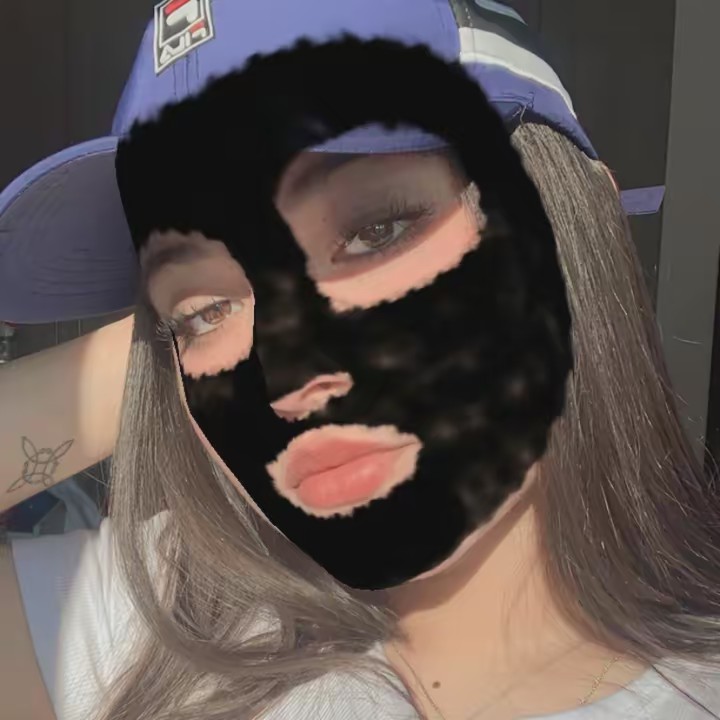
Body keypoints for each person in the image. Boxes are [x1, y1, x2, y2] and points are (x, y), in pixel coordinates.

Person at [1, 2, 719, 720]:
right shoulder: (163, 615)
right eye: (200, 314)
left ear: (570, 224)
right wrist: (158, 362)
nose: (286, 378)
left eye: (377, 230)